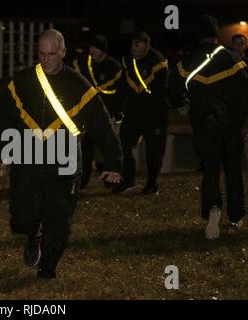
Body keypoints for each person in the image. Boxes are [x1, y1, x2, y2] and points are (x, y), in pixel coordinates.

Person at [0, 29, 122, 279]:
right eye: (41, 54)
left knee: (59, 217)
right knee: (23, 214)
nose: (46, 60)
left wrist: (114, 162)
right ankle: (33, 235)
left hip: (64, 162)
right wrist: (2, 152)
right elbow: (4, 119)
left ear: (63, 52)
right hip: (28, 158)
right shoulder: (21, 82)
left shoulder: (78, 86)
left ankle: (48, 265)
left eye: (52, 54)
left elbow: (101, 124)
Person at [168, 15, 248, 239]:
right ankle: (235, 216)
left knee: (210, 170)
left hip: (204, 125)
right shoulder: (233, 58)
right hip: (231, 127)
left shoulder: (188, 62)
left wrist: (183, 106)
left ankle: (212, 208)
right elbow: (244, 92)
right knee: (233, 171)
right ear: (216, 35)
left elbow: (173, 91)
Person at [112, 31, 169, 195]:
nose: (136, 54)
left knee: (153, 150)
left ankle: (152, 184)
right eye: (134, 50)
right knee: (124, 143)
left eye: (140, 51)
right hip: (133, 111)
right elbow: (123, 85)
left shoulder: (158, 62)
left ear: (147, 47)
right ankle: (128, 180)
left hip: (154, 113)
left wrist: (152, 109)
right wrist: (117, 106)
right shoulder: (127, 60)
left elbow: (161, 90)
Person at [72, 34, 124, 188]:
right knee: (85, 150)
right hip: (87, 115)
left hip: (106, 116)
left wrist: (115, 114)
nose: (92, 51)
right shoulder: (83, 64)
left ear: (103, 50)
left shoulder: (114, 67)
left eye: (95, 47)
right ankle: (82, 182)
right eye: (91, 47)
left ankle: (110, 177)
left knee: (108, 147)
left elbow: (119, 94)